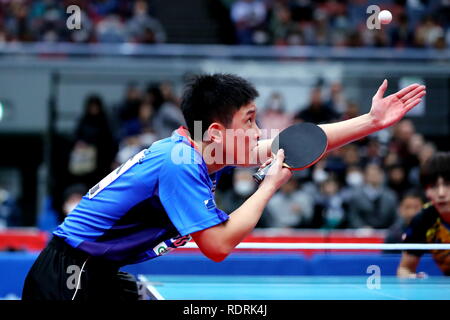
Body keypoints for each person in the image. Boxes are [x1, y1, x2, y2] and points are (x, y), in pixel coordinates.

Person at [22, 74, 425, 300]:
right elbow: (218, 246)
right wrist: (268, 188)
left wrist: (370, 123)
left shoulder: (202, 149)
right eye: (250, 120)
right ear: (216, 131)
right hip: (70, 277)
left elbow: (294, 142)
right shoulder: (178, 163)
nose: (258, 130)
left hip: (100, 271)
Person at [397, 152, 450, 277]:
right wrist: (412, 277)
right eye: (433, 186)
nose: (441, 193)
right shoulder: (423, 219)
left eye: (447, 184)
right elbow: (404, 270)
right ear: (426, 191)